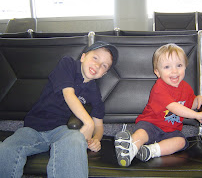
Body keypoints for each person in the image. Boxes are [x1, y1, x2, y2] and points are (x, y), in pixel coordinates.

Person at [0, 41, 118, 177]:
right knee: (8, 149)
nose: (97, 65)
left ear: (104, 74)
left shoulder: (95, 93)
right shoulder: (67, 64)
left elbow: (99, 125)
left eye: (104, 66)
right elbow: (68, 94)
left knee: (75, 139)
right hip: (34, 127)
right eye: (95, 58)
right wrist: (88, 123)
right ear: (83, 57)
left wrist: (96, 139)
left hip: (64, 131)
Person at [114, 43, 202, 167]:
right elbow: (174, 107)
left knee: (181, 142)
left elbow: (189, 104)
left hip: (171, 130)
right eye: (167, 67)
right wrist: (196, 115)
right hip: (151, 123)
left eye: (179, 65)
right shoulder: (159, 88)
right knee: (142, 133)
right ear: (157, 72)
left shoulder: (186, 88)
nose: (174, 71)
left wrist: (199, 99)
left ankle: (150, 151)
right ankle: (131, 148)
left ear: (185, 67)